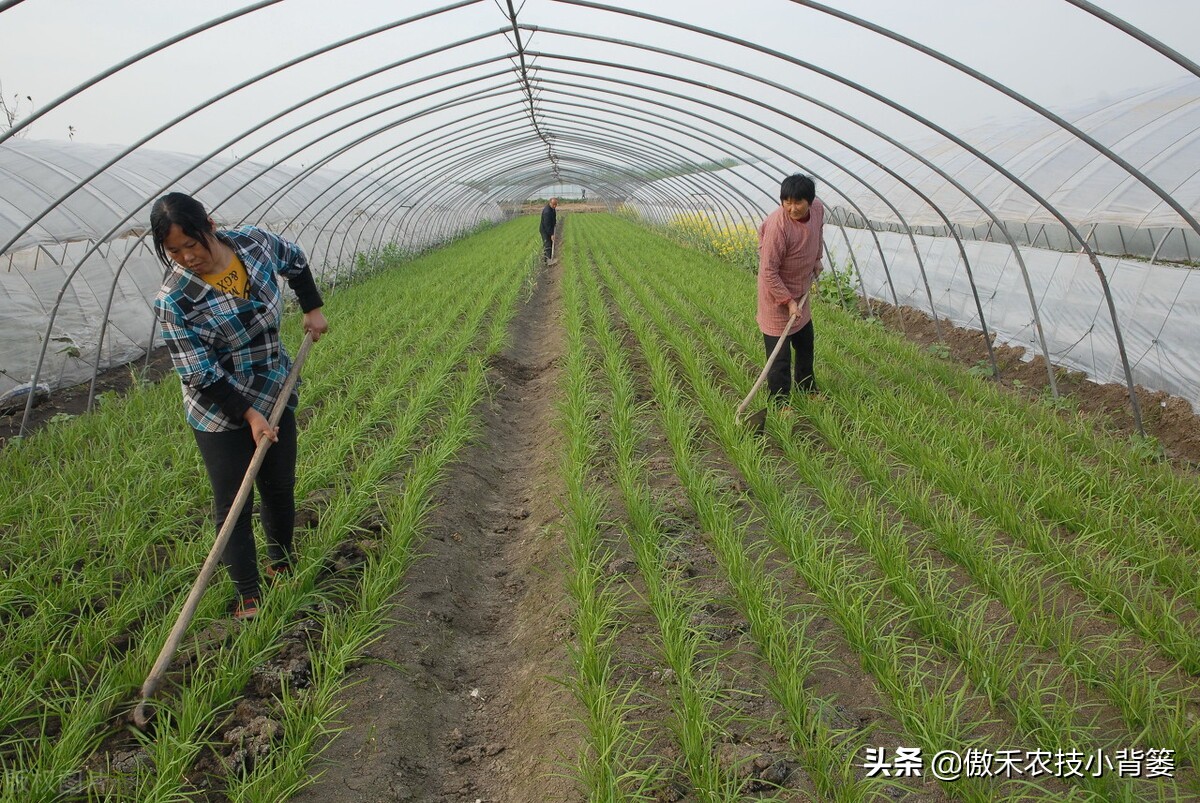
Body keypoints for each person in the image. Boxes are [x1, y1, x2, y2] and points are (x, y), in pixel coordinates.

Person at [151, 192, 329, 621]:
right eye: (173, 251)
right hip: (218, 407)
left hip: (273, 387)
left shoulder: (253, 244)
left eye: (191, 244)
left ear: (209, 225)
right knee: (234, 503)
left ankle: (281, 563)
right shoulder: (174, 300)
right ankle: (248, 593)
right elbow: (199, 372)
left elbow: (295, 261)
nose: (186, 257)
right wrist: (248, 415)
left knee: (279, 485)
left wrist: (312, 307)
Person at [756, 174, 824, 401]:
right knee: (780, 355)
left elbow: (818, 232)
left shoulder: (817, 209)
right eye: (787, 202)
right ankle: (780, 401)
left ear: (810, 201)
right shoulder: (778, 226)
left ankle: (807, 389)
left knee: (805, 344)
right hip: (776, 295)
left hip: (800, 289)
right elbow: (768, 271)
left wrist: (817, 259)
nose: (792, 208)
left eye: (798, 202)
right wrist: (787, 301)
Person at [540, 196, 558, 261]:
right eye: (553, 204)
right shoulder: (547, 212)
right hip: (545, 230)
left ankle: (549, 258)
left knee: (551, 243)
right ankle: (547, 260)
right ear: (550, 203)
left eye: (556, 204)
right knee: (547, 245)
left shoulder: (552, 209)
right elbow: (547, 225)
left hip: (549, 228)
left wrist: (555, 223)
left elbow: (554, 217)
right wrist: (551, 234)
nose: (555, 206)